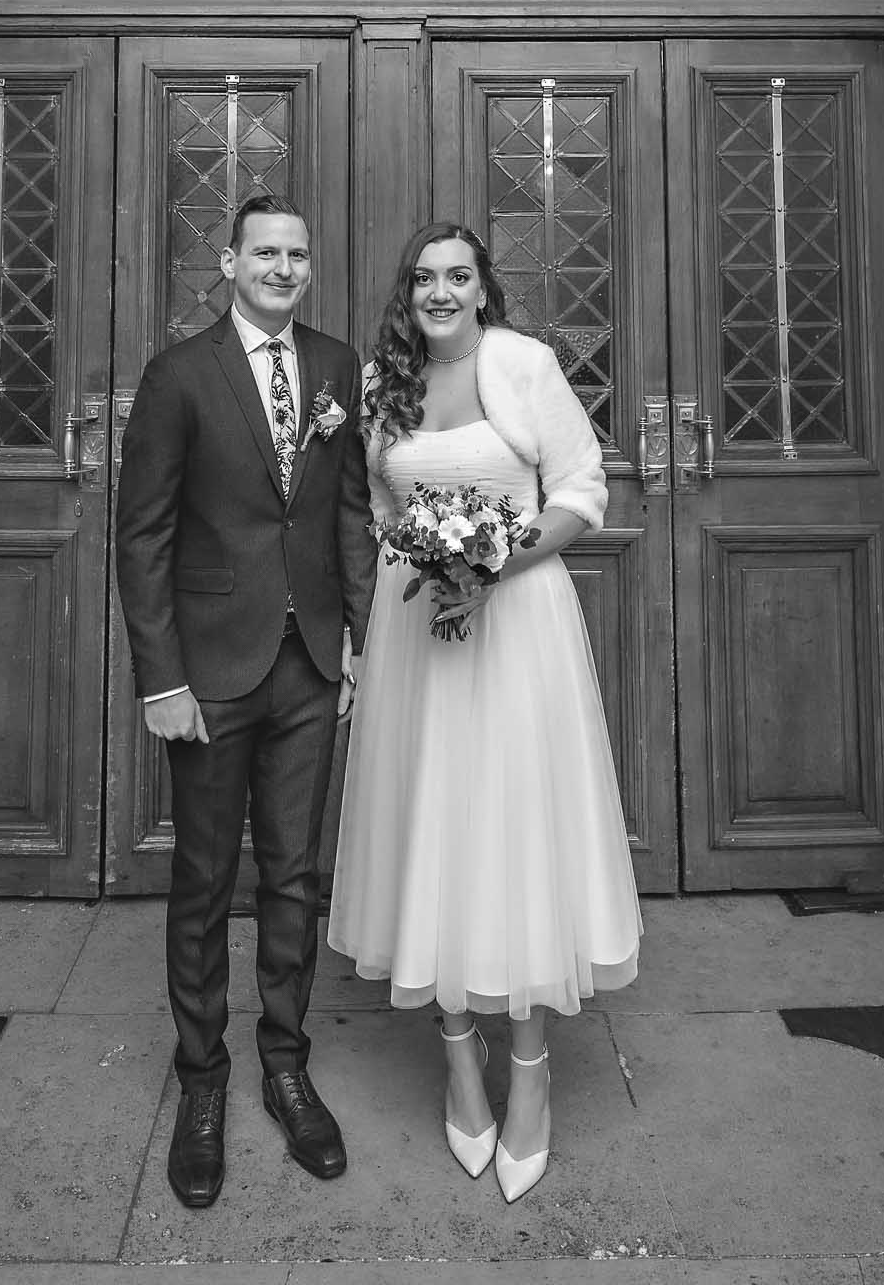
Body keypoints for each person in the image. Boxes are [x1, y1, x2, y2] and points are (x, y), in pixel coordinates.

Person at [328, 221, 642, 1204]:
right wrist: (422, 566)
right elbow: (379, 513)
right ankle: (458, 1058)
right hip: (419, 634)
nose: (439, 290)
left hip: (517, 630)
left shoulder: (524, 363)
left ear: (480, 285)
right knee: (436, 831)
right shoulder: (384, 384)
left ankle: (532, 1073)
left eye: (456, 275)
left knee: (512, 837)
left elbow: (581, 489)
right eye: (422, 276)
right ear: (405, 290)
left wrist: (490, 562)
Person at [115, 193, 376, 1210]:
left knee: (297, 872)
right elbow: (143, 538)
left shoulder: (335, 363)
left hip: (310, 659)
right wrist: (161, 678)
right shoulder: (179, 375)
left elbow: (348, 503)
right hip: (210, 673)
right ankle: (202, 1082)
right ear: (226, 260)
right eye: (264, 250)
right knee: (204, 876)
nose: (282, 266)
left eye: (297, 252)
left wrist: (355, 633)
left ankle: (285, 1063)